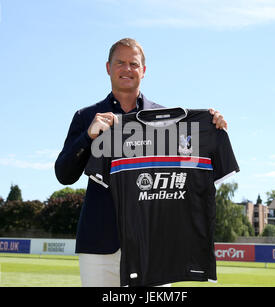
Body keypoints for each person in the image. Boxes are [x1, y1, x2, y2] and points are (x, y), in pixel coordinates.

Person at [55, 38, 228, 287]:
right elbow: (64, 175)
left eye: (134, 64)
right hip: (99, 244)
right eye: (120, 63)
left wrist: (213, 128)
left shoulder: (168, 119)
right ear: (108, 68)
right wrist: (88, 136)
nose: (127, 69)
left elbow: (189, 172)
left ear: (143, 71)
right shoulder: (85, 117)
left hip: (154, 244)